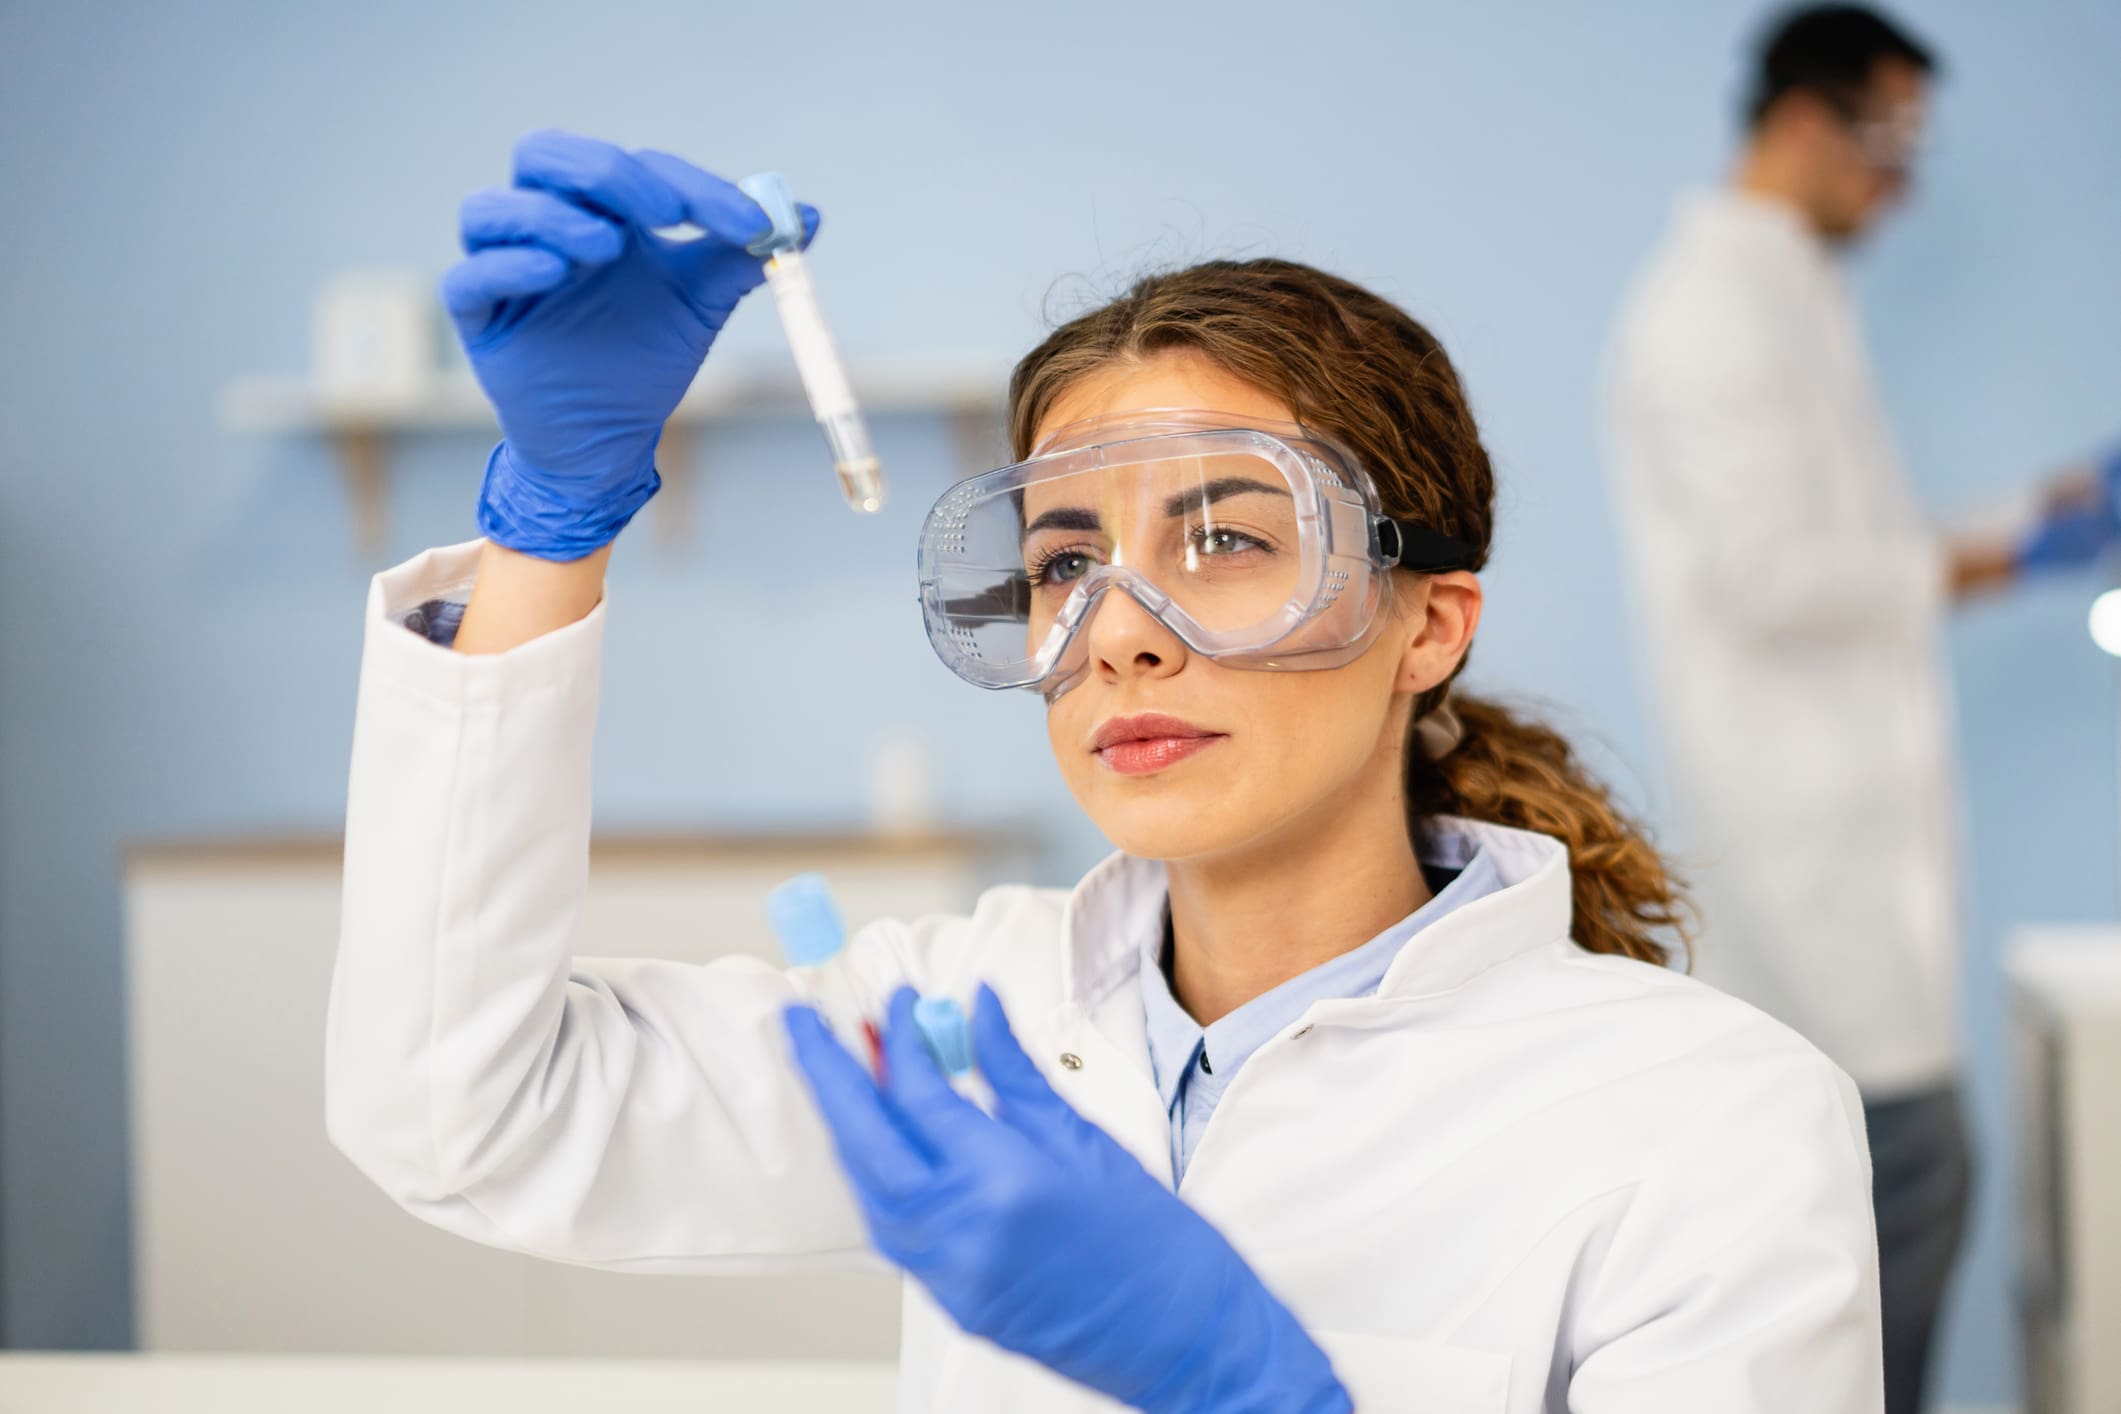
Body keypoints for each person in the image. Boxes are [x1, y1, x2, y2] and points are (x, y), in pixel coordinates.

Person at [327, 129, 1887, 1413]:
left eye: (1227, 540)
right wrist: (553, 520)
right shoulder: (958, 1028)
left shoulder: (1707, 1122)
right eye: (1065, 560)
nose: (1118, 634)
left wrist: (1255, 1389)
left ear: (1427, 624)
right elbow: (466, 1114)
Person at [1603, 7, 2120, 1412]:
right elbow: (1774, 578)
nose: (1902, 183)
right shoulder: (1709, 310)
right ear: (1801, 121)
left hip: (1849, 828)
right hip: (1799, 841)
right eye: (1891, 141)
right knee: (1899, 1182)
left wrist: (2039, 515)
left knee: (1906, 1186)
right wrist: (2012, 555)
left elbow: (1858, 543)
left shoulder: (1788, 293)